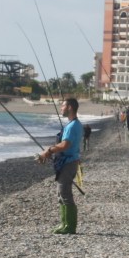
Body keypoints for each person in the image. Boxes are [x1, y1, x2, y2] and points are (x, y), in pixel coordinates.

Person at [38, 98, 83, 234]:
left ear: (69, 107)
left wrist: (49, 150)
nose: (61, 108)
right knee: (60, 193)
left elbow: (65, 145)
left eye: (63, 106)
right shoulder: (74, 124)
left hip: (68, 163)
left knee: (65, 193)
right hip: (67, 162)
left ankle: (70, 226)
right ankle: (63, 224)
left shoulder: (73, 126)